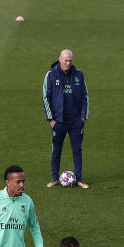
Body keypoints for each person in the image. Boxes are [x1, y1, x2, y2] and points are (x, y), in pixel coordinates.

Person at [43, 49, 89, 189]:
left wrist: (83, 118)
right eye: (66, 60)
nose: (68, 63)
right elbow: (46, 97)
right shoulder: (51, 75)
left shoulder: (79, 75)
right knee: (56, 150)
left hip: (76, 121)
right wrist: (51, 120)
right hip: (59, 121)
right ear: (60, 59)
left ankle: (79, 179)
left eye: (70, 60)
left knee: (77, 150)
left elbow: (85, 97)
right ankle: (55, 178)